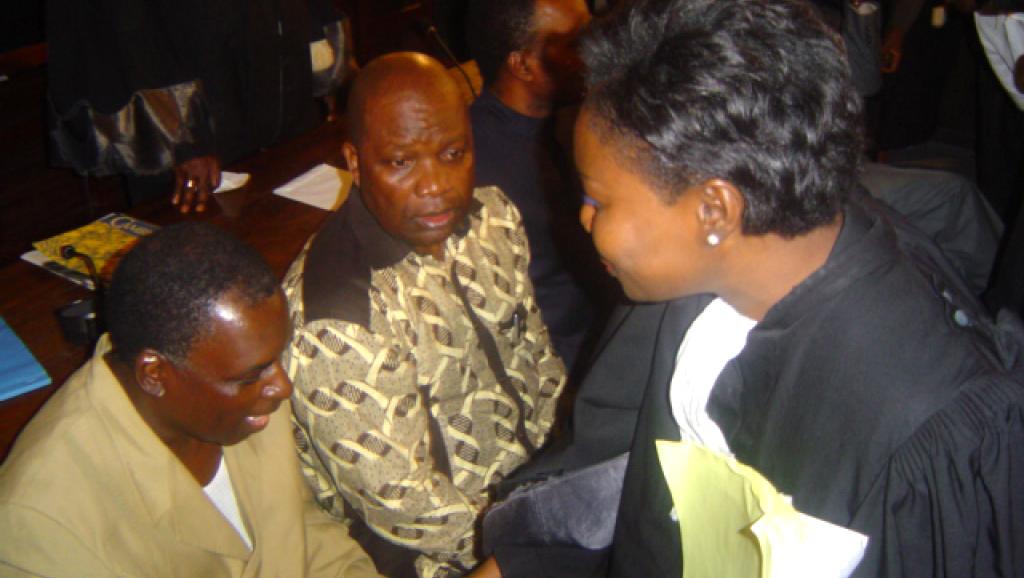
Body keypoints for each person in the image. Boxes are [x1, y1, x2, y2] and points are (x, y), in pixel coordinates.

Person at [479, 0, 1024, 576]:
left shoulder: (925, 426)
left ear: (713, 210)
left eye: (598, 199)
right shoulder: (700, 272)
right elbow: (604, 474)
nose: (585, 220)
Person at [281, 53, 566, 578]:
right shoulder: (337, 317)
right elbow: (402, 506)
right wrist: (531, 546)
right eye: (401, 162)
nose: (436, 184)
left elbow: (539, 360)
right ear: (354, 160)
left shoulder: (494, 218)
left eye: (453, 152)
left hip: (540, 497)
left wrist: (573, 473)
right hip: (443, 556)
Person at [0, 222, 380, 577]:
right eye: (253, 375)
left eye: (277, 359)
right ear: (155, 374)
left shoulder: (244, 387)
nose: (282, 387)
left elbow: (304, 531)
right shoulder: (42, 522)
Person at [46, 0, 356, 211]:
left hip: (280, 88)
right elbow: (127, 30)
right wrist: (182, 139)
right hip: (194, 117)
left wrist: (331, 73)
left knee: (293, 223)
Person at [466, 0, 604, 373]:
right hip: (563, 363)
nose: (597, 50)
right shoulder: (475, 169)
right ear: (523, 64)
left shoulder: (577, 125)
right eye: (576, 42)